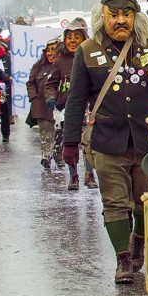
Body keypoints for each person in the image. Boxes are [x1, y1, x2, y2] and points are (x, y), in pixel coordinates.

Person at [63, 0, 148, 284]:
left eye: (127, 14)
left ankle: (138, 241)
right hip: (108, 140)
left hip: (146, 142)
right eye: (114, 15)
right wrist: (69, 142)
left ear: (135, 17)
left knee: (147, 202)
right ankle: (122, 260)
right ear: (103, 16)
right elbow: (76, 100)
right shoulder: (87, 51)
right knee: (115, 204)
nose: (121, 21)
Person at [55, 18, 96, 190]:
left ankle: (89, 174)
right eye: (69, 36)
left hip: (89, 110)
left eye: (77, 36)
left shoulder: (93, 56)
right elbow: (50, 83)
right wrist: (51, 98)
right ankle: (73, 176)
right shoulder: (60, 61)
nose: (72, 40)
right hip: (68, 109)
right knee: (70, 142)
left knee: (88, 143)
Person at [27, 38, 62, 170]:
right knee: (46, 132)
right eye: (48, 50)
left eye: (54, 50)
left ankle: (59, 156)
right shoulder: (38, 67)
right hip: (41, 106)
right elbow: (30, 83)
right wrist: (34, 98)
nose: (51, 53)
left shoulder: (65, 65)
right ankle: (46, 156)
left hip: (60, 106)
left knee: (59, 132)